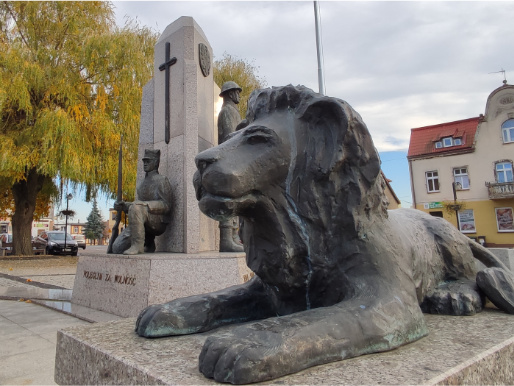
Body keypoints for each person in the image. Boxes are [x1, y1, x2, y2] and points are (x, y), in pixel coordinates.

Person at [112, 149, 172, 255]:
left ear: (156, 162)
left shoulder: (162, 180)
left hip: (158, 221)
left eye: (148, 161)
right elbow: (138, 205)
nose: (145, 163)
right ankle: (148, 242)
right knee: (117, 248)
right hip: (143, 220)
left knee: (136, 207)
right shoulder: (141, 184)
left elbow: (167, 205)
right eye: (144, 161)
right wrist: (125, 206)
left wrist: (146, 205)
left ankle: (138, 246)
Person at [218, 81, 244, 252]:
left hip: (236, 159)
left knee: (236, 199)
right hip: (229, 160)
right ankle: (226, 240)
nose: (239, 95)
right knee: (229, 198)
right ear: (230, 93)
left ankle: (234, 236)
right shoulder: (227, 111)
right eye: (236, 91)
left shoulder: (233, 111)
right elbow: (229, 137)